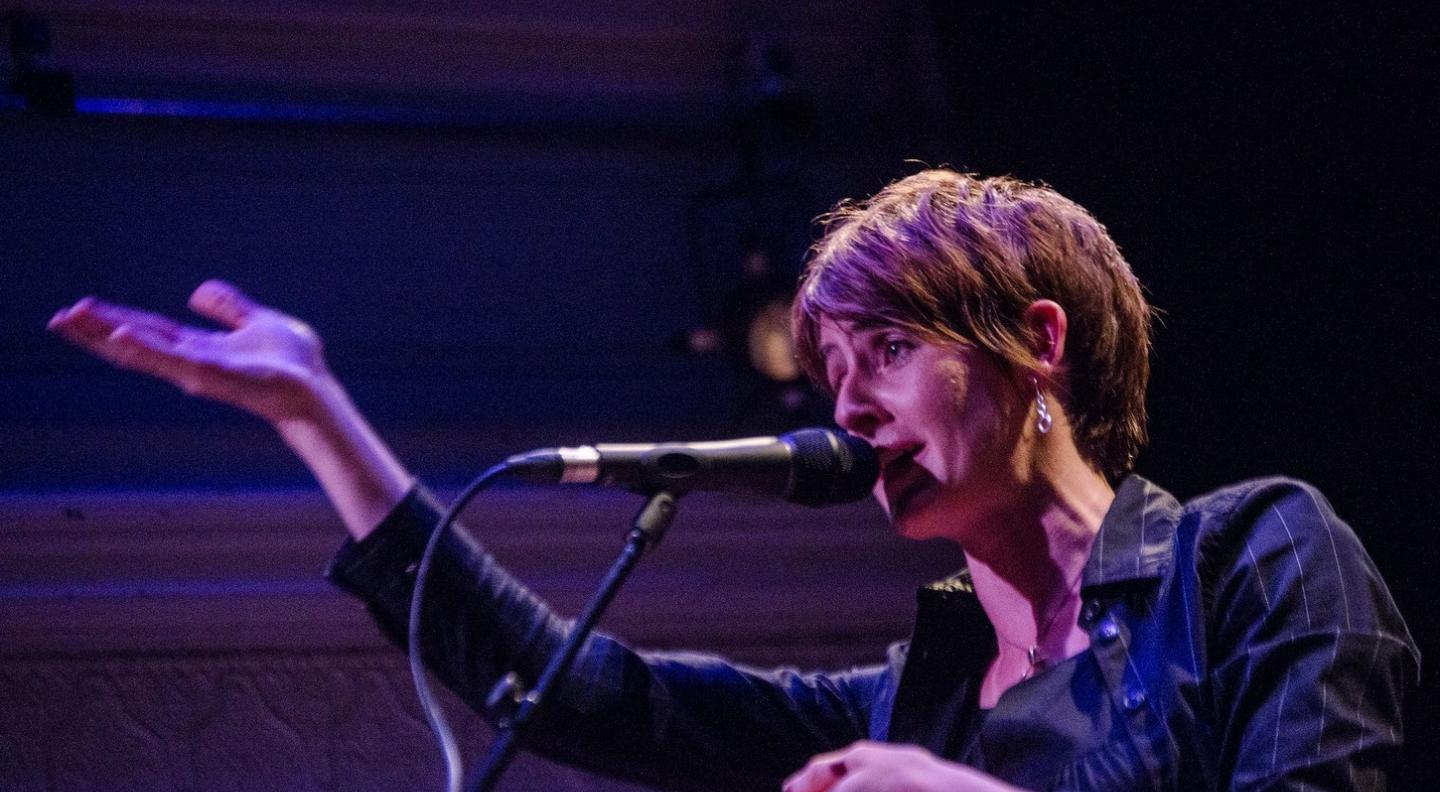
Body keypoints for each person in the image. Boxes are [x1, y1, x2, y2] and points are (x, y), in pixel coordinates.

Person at [48, 170, 1418, 791]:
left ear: (1038, 343)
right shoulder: (914, 694)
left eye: (886, 346)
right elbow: (589, 696)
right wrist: (317, 414)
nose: (846, 396)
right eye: (830, 368)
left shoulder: (1254, 559)